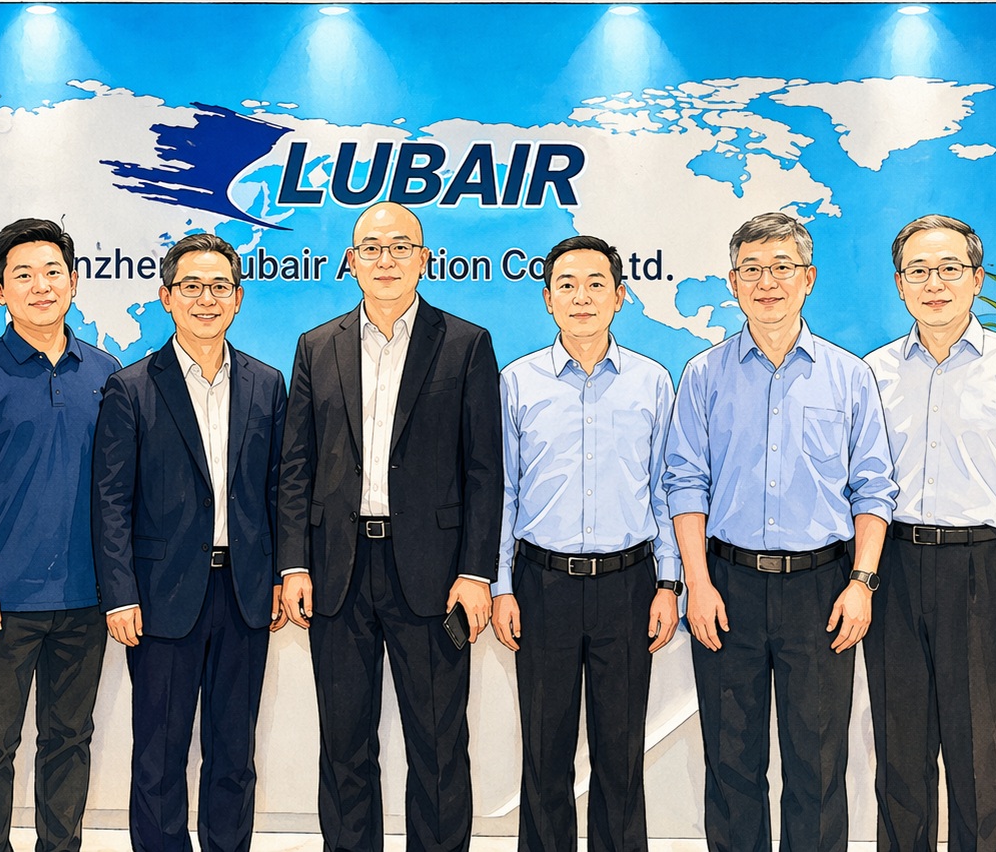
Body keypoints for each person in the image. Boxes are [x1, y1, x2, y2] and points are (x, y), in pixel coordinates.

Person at [662, 212, 898, 852]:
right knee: (732, 764)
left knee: (818, 767)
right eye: (752, 270)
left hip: (822, 589)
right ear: (733, 282)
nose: (767, 283)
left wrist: (862, 583)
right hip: (727, 587)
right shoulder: (703, 376)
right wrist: (698, 585)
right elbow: (685, 484)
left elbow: (874, 489)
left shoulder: (849, 377)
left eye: (781, 268)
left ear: (808, 279)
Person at [277, 201, 501, 852]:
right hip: (336, 573)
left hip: (434, 579)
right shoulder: (316, 347)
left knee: (437, 745)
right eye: (371, 248)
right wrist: (294, 564)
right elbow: (296, 465)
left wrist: (474, 571)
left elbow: (484, 470)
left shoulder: (465, 344)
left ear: (424, 259)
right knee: (343, 744)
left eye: (400, 247)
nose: (385, 259)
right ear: (350, 260)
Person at [864, 214, 996, 852]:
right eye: (919, 272)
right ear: (900, 285)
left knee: (979, 751)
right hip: (892, 569)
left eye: (949, 269)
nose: (935, 283)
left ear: (976, 278)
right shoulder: (872, 372)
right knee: (899, 753)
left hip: (981, 570)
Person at [92, 232, 287, 852]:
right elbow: (111, 502)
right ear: (166, 297)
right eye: (192, 287)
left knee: (234, 754)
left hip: (245, 594)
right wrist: (120, 595)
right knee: (158, 756)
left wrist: (284, 574)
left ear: (238, 298)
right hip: (160, 596)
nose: (207, 299)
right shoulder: (131, 387)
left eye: (220, 287)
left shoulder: (267, 383)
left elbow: (282, 491)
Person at [489, 235, 682, 852]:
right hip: (540, 584)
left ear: (620, 297)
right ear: (547, 300)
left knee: (620, 755)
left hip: (629, 586)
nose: (582, 296)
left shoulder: (652, 382)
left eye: (596, 283)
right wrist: (502, 585)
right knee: (544, 755)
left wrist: (668, 583)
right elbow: (505, 492)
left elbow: (664, 489)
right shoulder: (517, 382)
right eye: (567, 285)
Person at [0, 217, 120, 852]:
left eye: (52, 272)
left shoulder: (105, 371)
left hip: (86, 597)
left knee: (70, 739)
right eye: (23, 276)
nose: (40, 286)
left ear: (74, 281)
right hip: (0, 599)